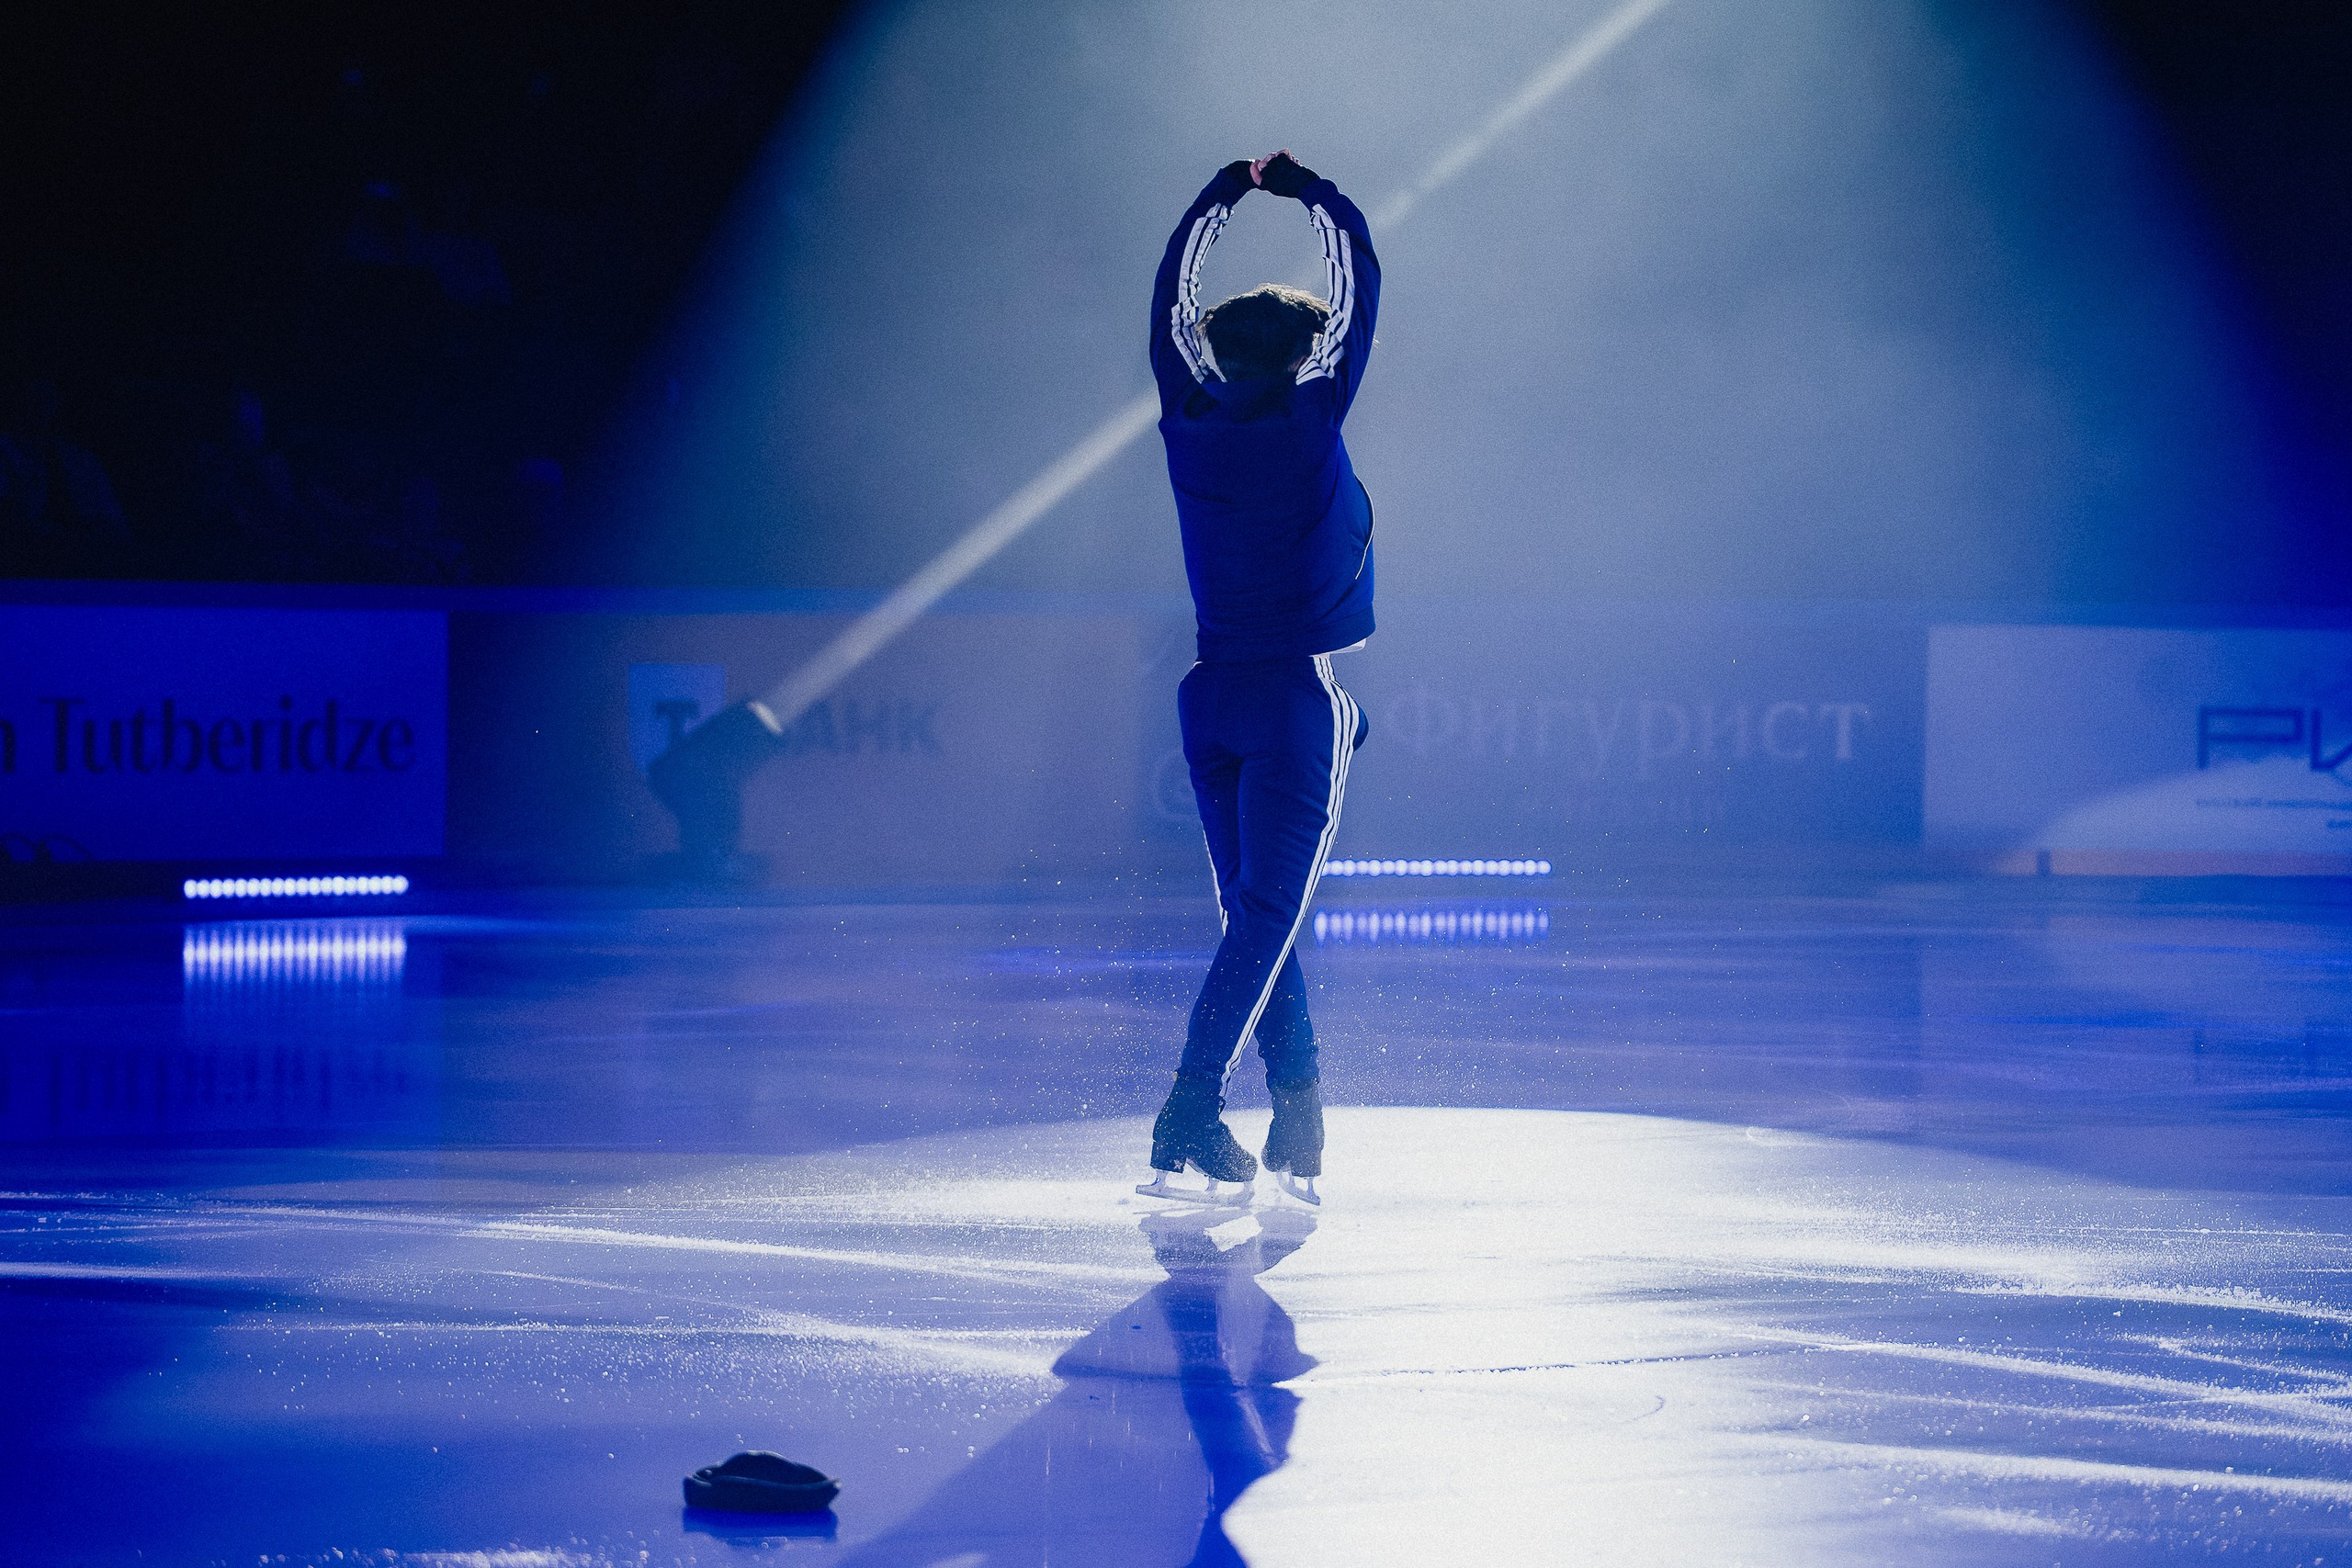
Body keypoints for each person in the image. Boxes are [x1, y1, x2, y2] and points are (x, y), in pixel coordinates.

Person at [1136, 151, 1380, 1208]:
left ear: (1215, 352)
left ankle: (1299, 1109)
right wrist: (1312, 192)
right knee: (1266, 916)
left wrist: (1220, 193)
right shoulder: (1311, 418)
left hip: (1210, 696)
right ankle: (1192, 1104)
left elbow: (1168, 299)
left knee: (1256, 915)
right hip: (1287, 697)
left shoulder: (1186, 418)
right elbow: (1360, 278)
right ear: (1309, 352)